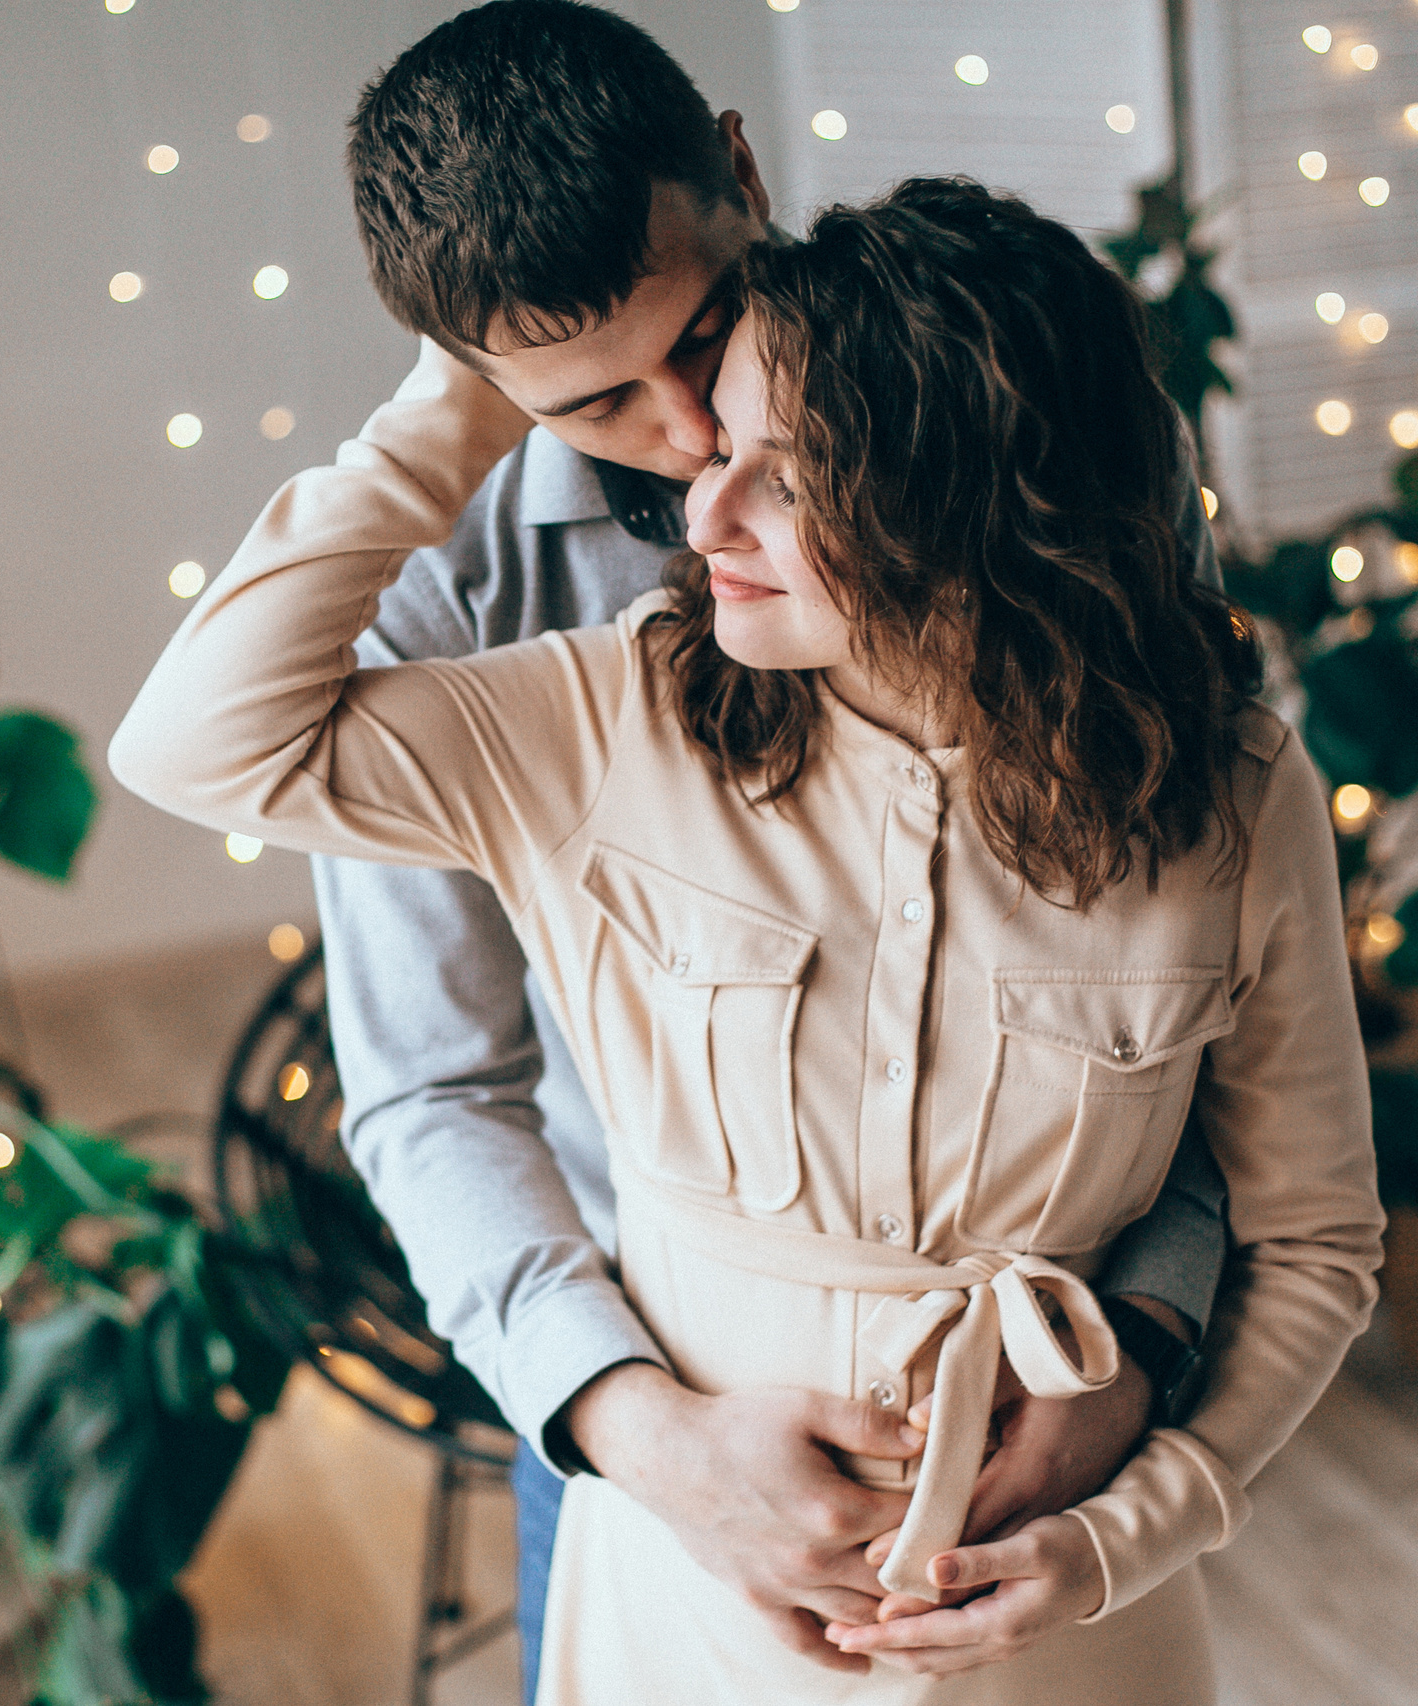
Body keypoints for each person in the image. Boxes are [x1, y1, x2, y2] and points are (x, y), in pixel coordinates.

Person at [110, 170, 1381, 1701]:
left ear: (972, 502)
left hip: (1058, 1617)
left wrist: (1132, 1523)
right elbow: (194, 746)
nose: (698, 493)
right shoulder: (601, 714)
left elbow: (1310, 1230)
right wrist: (480, 377)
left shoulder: (1232, 792)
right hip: (688, 1573)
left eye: (787, 472)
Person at [323, 4, 1228, 1694]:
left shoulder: (1012, 419)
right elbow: (430, 1088)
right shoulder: (444, 611)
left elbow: (1179, 971)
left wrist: (1147, 1346)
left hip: (1050, 1402)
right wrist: (640, 1432)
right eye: (594, 396)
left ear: (742, 171)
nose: (686, 440)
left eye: (708, 335)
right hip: (651, 1409)